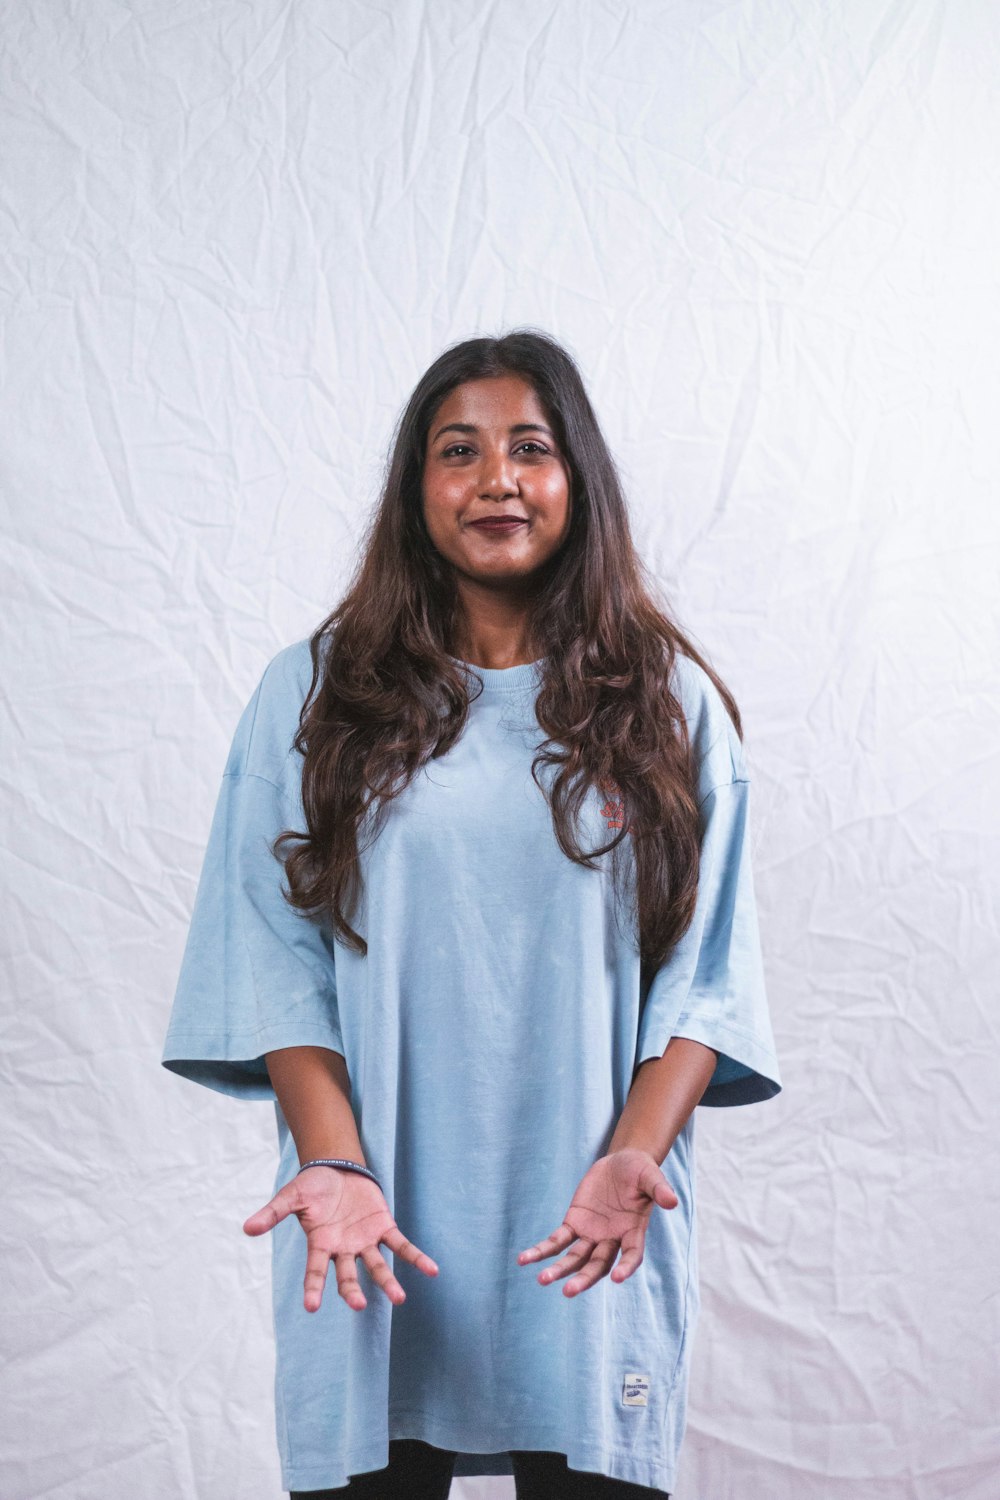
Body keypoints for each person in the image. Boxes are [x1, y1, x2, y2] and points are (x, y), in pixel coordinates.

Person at [161, 328, 782, 1498]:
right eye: (459, 451)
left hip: (589, 1223)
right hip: (370, 1227)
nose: (496, 478)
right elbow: (269, 951)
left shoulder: (667, 703)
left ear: (576, 482)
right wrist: (334, 1164)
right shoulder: (313, 692)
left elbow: (707, 973)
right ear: (415, 491)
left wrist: (633, 1157)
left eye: (529, 449)